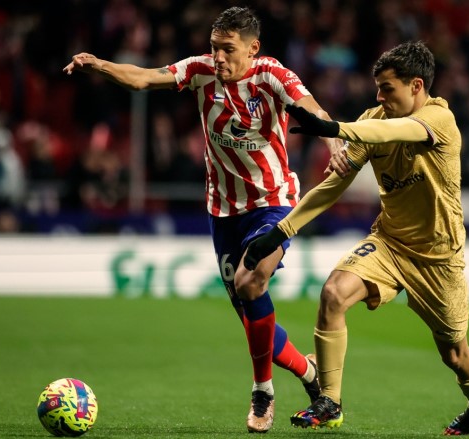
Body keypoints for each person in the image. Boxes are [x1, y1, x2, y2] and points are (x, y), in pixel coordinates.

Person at [64, 6, 343, 433]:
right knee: (252, 317)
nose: (218, 58)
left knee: (252, 282)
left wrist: (336, 140)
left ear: (253, 48)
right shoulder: (199, 71)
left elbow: (310, 106)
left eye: (228, 50)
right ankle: (308, 373)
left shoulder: (272, 75)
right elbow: (143, 78)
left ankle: (262, 391)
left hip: (274, 202)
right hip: (222, 209)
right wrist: (98, 64)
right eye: (215, 48)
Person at [244, 41, 469, 435]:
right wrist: (282, 231)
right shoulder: (373, 119)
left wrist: (335, 128)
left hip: (438, 257)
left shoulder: (439, 119)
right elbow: (332, 186)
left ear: (417, 86)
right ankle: (329, 401)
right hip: (389, 243)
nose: (379, 96)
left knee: (455, 353)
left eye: (388, 88)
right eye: (377, 88)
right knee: (333, 292)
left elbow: (394, 131)